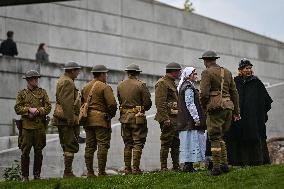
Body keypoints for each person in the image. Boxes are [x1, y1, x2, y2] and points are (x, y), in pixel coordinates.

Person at [225, 58, 273, 166]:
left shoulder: (257, 83)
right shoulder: (234, 82)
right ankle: (239, 162)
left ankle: (257, 162)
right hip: (238, 119)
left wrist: (260, 114)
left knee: (255, 138)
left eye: (250, 68)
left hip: (254, 119)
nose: (249, 70)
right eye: (246, 68)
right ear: (240, 70)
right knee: (239, 137)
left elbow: (267, 101)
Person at [199, 50, 240, 176]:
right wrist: (236, 111)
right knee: (220, 136)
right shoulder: (226, 72)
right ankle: (224, 164)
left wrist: (204, 107)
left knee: (214, 137)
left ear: (206, 61)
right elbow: (234, 93)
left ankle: (216, 168)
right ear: (215, 59)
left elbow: (204, 94)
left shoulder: (206, 72)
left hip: (216, 108)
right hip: (228, 107)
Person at [14, 70, 51, 181]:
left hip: (39, 127)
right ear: (29, 80)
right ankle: (25, 176)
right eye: (34, 78)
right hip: (26, 127)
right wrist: (28, 109)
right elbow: (17, 108)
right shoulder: (22, 93)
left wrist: (38, 111)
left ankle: (37, 175)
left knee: (38, 151)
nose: (36, 80)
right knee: (25, 151)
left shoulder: (42, 92)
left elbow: (48, 107)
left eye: (37, 78)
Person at [82, 65, 117, 177]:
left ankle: (90, 172)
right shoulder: (104, 87)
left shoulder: (86, 86)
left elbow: (82, 103)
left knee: (89, 146)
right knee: (102, 145)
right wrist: (111, 115)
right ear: (101, 74)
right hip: (101, 120)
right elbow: (112, 104)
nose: (106, 76)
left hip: (88, 120)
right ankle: (101, 172)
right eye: (105, 74)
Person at [117, 64, 152, 174]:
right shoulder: (141, 85)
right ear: (137, 73)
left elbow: (120, 100)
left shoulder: (120, 85)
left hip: (124, 117)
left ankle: (127, 168)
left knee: (127, 143)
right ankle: (135, 168)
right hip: (137, 117)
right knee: (138, 142)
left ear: (128, 73)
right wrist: (142, 108)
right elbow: (147, 103)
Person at [52, 62, 81, 178]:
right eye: (77, 70)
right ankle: (68, 172)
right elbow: (67, 103)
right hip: (66, 119)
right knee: (70, 144)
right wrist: (71, 120)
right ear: (72, 70)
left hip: (63, 119)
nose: (78, 73)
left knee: (67, 144)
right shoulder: (68, 82)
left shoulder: (63, 80)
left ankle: (68, 171)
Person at [176, 67, 206, 172]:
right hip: (189, 121)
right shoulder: (188, 87)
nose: (196, 75)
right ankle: (188, 166)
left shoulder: (186, 86)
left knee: (188, 144)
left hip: (186, 121)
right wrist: (196, 118)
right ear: (189, 75)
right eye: (194, 73)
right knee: (191, 143)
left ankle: (188, 166)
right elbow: (190, 104)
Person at [155, 62, 182, 171]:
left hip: (175, 118)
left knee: (176, 143)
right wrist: (165, 118)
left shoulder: (171, 82)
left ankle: (176, 166)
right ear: (173, 71)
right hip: (168, 119)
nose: (180, 73)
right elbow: (160, 103)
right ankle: (164, 167)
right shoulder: (162, 83)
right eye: (178, 71)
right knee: (166, 142)